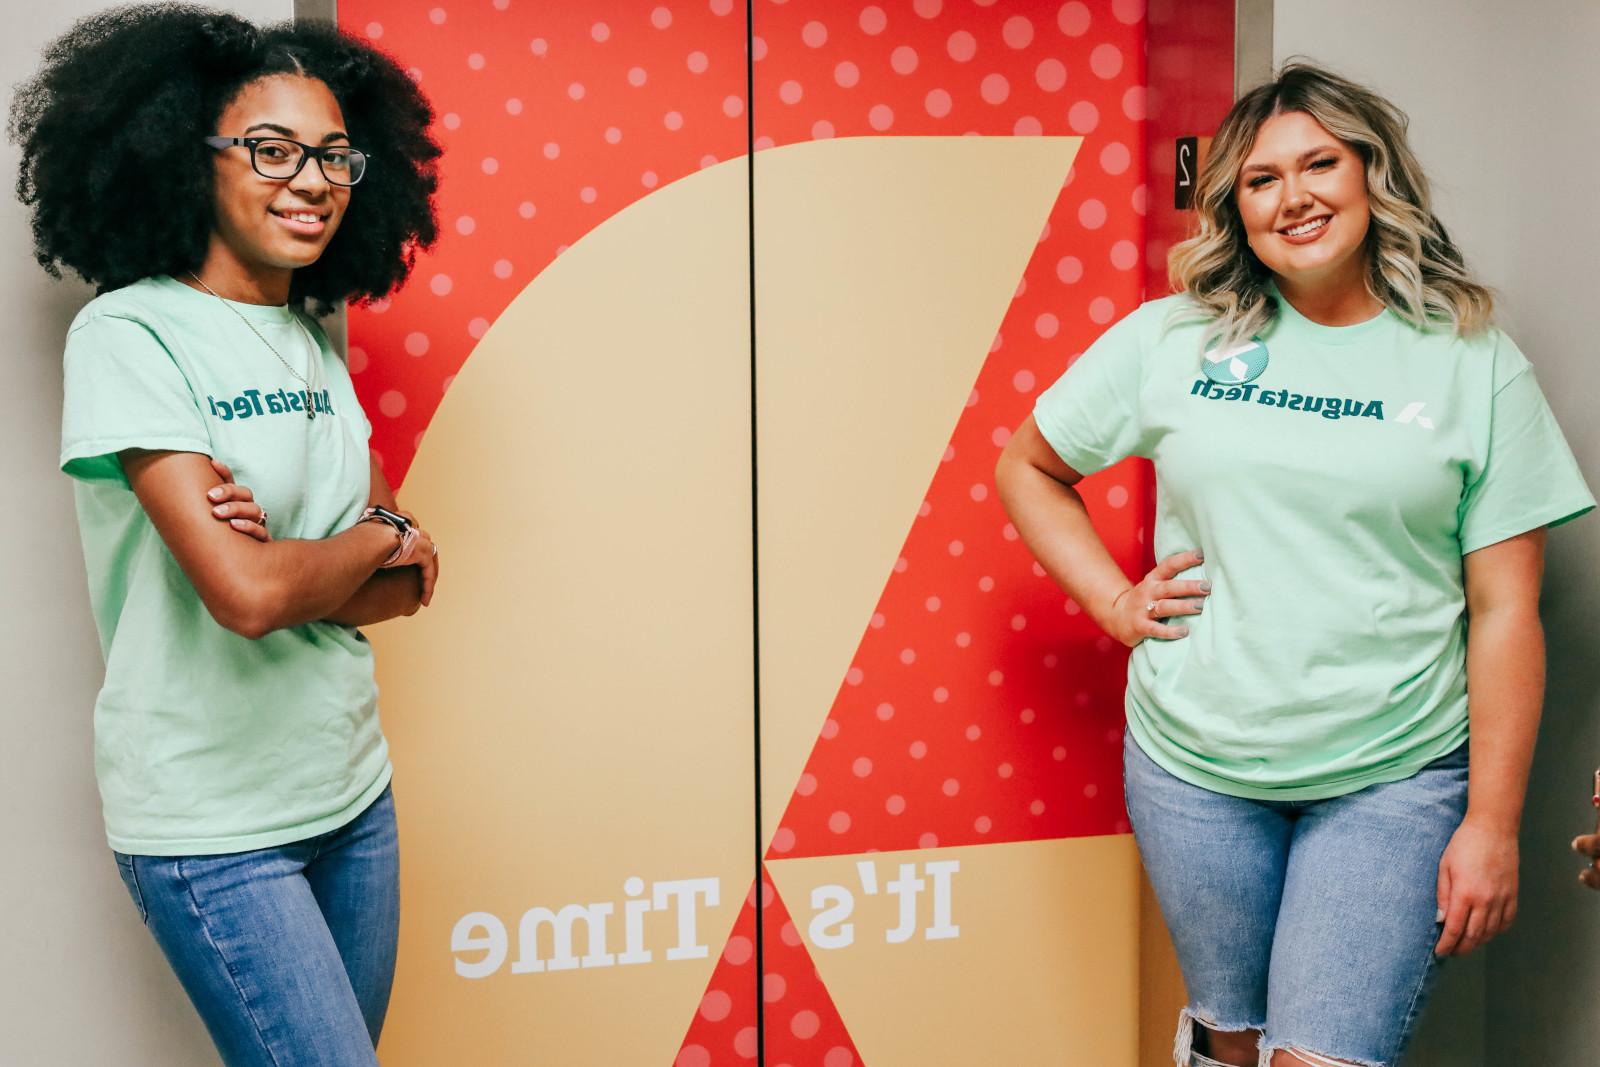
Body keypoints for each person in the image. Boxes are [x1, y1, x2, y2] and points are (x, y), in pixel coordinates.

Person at [996, 62, 1593, 1067]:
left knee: (1313, 1056)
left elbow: (1503, 609)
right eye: (1262, 178)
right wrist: (1111, 599)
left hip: (1392, 773)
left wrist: (1491, 822)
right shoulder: (1174, 338)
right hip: (1196, 765)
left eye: (1320, 162)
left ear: (1372, 174)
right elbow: (1029, 464)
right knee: (1229, 1039)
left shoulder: (1470, 359)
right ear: (1235, 204)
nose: (1295, 196)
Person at [11, 6, 441, 1064]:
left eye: (335, 155)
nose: (311, 180)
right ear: (183, 155)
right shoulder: (130, 333)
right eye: (271, 149)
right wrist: (365, 541)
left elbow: (410, 583)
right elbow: (245, 596)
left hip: (351, 789)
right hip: (213, 824)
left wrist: (335, 554)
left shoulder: (308, 341)